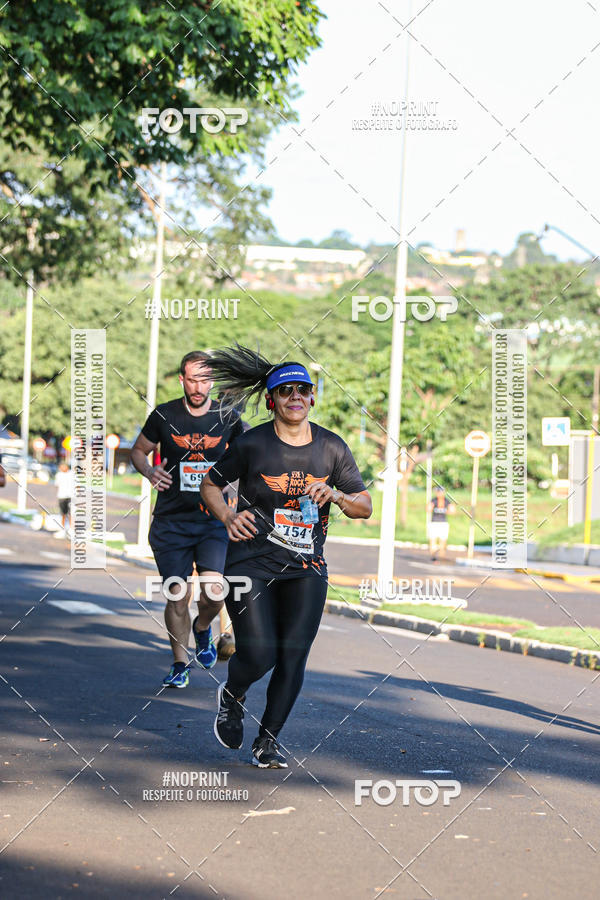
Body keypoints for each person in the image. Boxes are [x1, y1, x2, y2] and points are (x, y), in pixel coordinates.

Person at [201, 345, 372, 768]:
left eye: (302, 390)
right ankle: (234, 693)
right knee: (260, 654)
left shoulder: (332, 448)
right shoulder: (253, 443)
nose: (294, 397)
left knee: (293, 655)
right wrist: (226, 515)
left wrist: (336, 494)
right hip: (251, 561)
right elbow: (209, 484)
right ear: (271, 400)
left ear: (312, 397)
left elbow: (364, 506)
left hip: (306, 566)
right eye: (285, 391)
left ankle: (268, 741)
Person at [131, 351, 244, 688]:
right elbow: (138, 451)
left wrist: (236, 491)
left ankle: (202, 627)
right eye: (192, 379)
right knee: (177, 594)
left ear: (212, 382)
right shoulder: (164, 416)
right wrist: (150, 471)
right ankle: (180, 665)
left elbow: (247, 457)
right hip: (171, 521)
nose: (198, 387)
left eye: (204, 380)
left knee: (214, 591)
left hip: (213, 520)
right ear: (182, 379)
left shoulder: (229, 418)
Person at [427, 485, 455, 561]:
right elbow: (428, 509)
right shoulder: (434, 500)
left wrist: (446, 511)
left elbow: (452, 511)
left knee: (442, 541)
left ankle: (440, 557)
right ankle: (433, 556)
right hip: (435, 522)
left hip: (442, 523)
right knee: (433, 540)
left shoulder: (446, 501)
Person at [55, 462, 73, 534]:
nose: (62, 468)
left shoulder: (72, 474)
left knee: (71, 513)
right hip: (62, 496)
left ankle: (71, 528)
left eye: (64, 466)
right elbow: (57, 484)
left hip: (70, 496)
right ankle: (62, 527)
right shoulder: (59, 475)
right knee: (63, 513)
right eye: (61, 467)